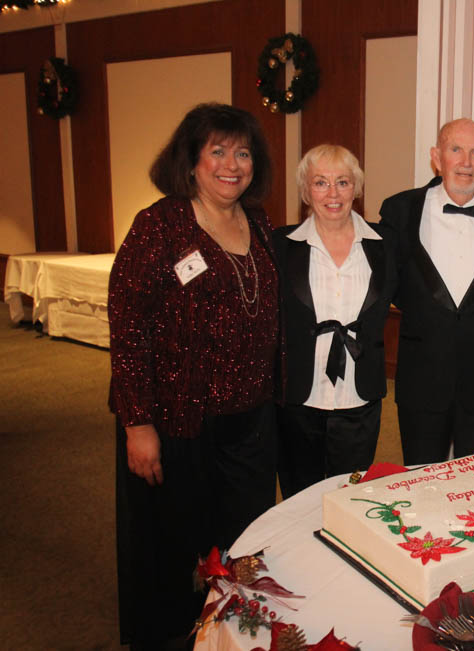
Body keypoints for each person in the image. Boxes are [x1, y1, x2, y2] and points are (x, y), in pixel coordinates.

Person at [108, 103, 279, 649]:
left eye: (243, 152)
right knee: (169, 546)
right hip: (178, 422)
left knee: (243, 540)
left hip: (250, 420)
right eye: (219, 151)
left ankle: (232, 631)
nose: (233, 164)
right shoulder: (160, 225)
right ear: (192, 160)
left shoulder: (260, 222)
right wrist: (138, 424)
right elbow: (128, 329)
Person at [379, 118, 474, 464]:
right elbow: (388, 280)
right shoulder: (399, 209)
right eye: (455, 149)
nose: (466, 161)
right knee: (420, 482)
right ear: (436, 157)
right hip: (422, 379)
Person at [273, 145, 396, 497]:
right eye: (320, 182)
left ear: (356, 188)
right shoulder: (280, 244)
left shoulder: (385, 244)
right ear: (305, 190)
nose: (332, 194)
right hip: (299, 398)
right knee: (298, 498)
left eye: (342, 182)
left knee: (350, 498)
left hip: (359, 398)